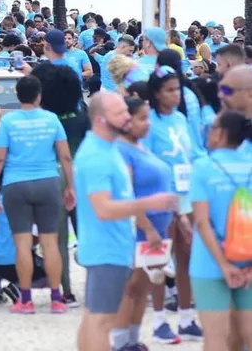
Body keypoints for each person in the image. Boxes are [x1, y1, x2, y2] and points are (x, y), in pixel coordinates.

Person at [73, 92, 179, 351]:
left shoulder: (106, 149)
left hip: (109, 246)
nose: (126, 117)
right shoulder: (98, 155)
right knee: (101, 321)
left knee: (93, 318)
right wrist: (150, 203)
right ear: (100, 119)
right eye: (119, 113)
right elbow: (104, 209)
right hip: (107, 248)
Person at [0, 75, 75, 314]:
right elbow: (65, 156)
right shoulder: (52, 119)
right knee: (50, 243)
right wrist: (70, 187)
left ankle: (25, 299)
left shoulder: (8, 122)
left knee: (22, 244)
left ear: (17, 95)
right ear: (39, 96)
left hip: (16, 184)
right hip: (48, 181)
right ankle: (56, 298)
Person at [144, 64, 202, 342]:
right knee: (158, 260)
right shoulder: (149, 123)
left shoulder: (180, 119)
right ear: (156, 93)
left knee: (187, 257)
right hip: (160, 200)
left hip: (186, 196)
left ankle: (187, 318)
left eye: (177, 88)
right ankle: (158, 321)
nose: (175, 94)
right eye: (169, 90)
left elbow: (192, 154)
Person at [111, 98, 173, 351]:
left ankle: (133, 339)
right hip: (140, 229)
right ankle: (121, 342)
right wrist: (147, 227)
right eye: (142, 118)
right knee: (132, 287)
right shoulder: (123, 150)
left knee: (143, 286)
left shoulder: (140, 147)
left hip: (156, 228)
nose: (148, 123)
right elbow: (127, 194)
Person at [190, 111, 252, 349]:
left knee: (216, 337)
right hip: (247, 259)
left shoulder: (204, 167)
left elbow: (202, 222)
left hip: (208, 262)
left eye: (213, 127)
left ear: (222, 134)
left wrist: (223, 265)